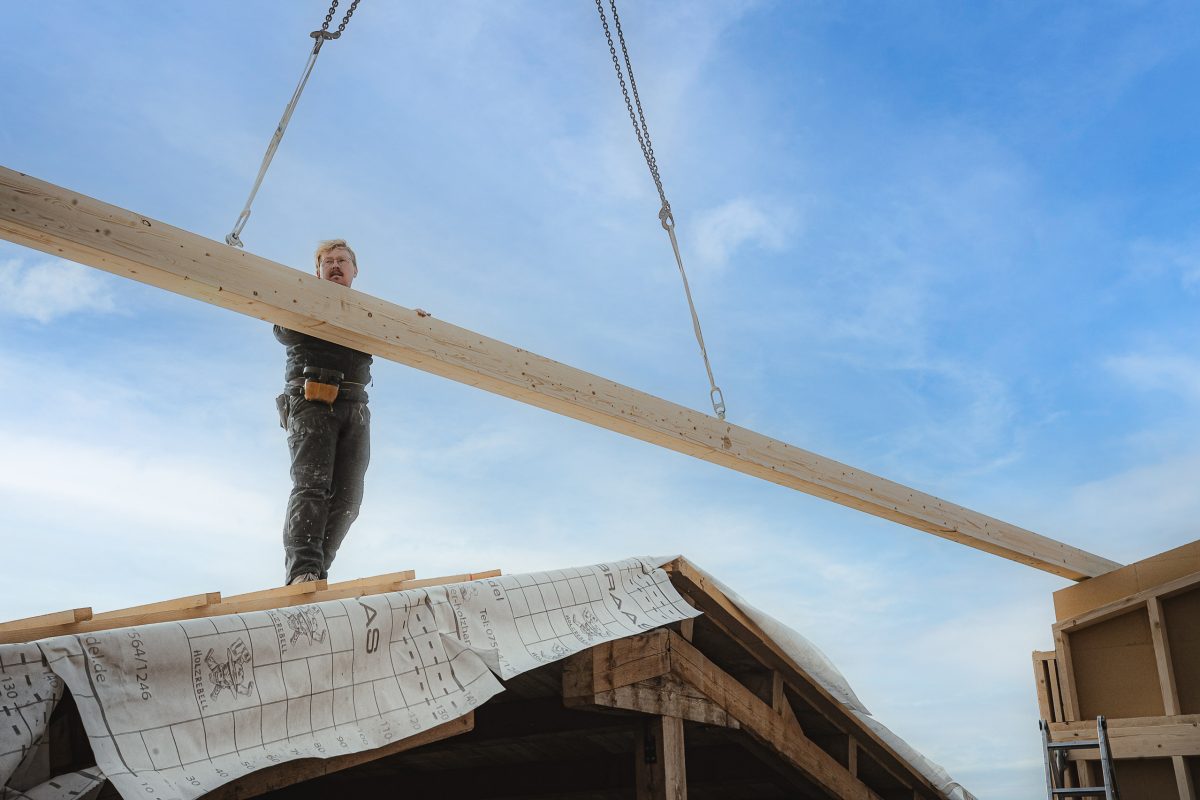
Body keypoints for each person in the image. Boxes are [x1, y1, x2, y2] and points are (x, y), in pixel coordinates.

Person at [273, 239, 373, 585]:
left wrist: (415, 322)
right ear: (317, 271)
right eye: (327, 261)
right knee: (312, 486)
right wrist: (314, 302)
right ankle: (303, 572)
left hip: (355, 405)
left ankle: (318, 574)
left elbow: (398, 333)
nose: (334, 265)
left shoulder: (368, 313)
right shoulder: (301, 302)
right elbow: (283, 330)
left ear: (354, 270)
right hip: (312, 399)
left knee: (349, 498)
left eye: (341, 261)